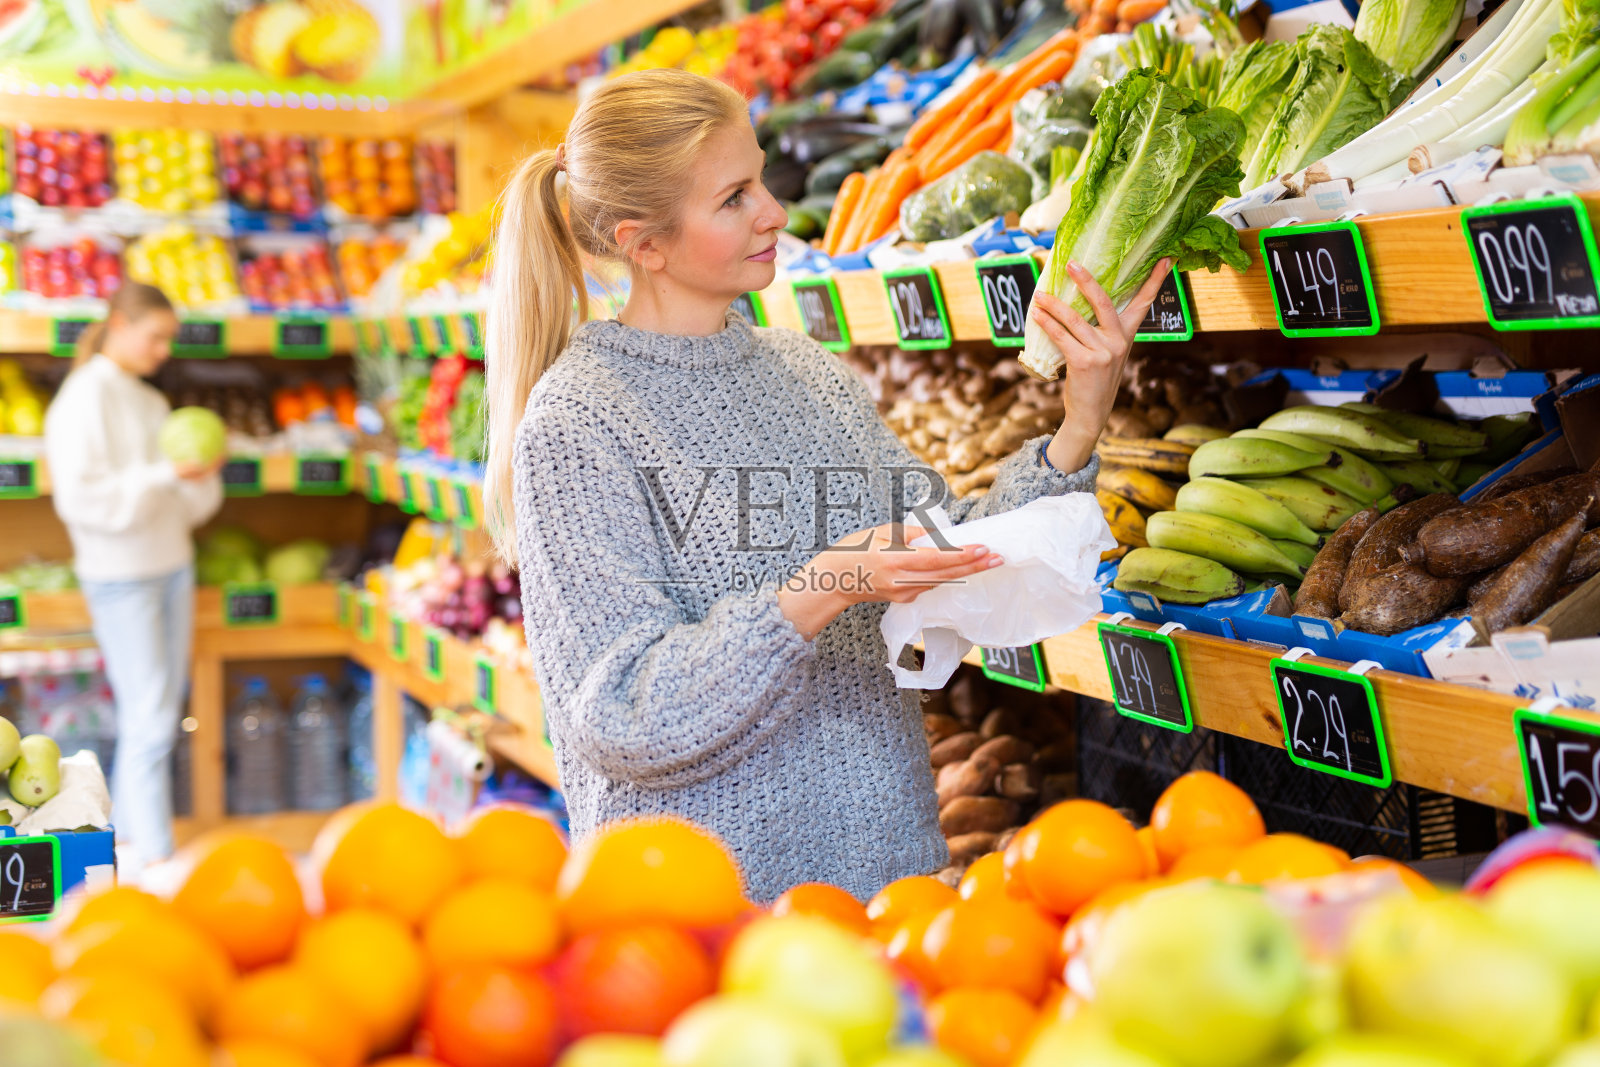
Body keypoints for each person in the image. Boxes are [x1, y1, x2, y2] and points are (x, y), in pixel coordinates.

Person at [483, 69, 1171, 903]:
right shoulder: (577, 424)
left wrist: (1079, 422)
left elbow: (955, 549)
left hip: (888, 887)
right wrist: (823, 587)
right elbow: (621, 715)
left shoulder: (807, 373)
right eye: (734, 197)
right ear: (644, 245)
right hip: (708, 921)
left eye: (761, 177)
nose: (774, 211)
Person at [44, 282, 223, 874]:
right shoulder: (81, 400)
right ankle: (151, 857)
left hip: (172, 565)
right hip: (121, 577)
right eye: (156, 337)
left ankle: (136, 852)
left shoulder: (148, 402)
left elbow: (180, 503)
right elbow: (81, 500)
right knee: (148, 716)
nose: (164, 351)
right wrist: (164, 475)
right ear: (119, 324)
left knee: (162, 712)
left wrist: (197, 479)